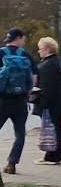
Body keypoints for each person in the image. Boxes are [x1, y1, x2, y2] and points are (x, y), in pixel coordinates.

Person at [0, 28, 37, 175]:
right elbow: (34, 78)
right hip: (20, 100)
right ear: (20, 38)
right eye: (23, 39)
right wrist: (27, 93)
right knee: (20, 133)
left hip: (2, 99)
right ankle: (12, 163)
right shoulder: (26, 55)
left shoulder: (1, 52)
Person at [32, 37, 61, 165]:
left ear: (47, 49)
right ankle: (52, 155)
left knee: (52, 129)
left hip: (51, 104)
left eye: (40, 48)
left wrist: (42, 103)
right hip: (58, 103)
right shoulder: (55, 62)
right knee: (54, 129)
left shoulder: (48, 65)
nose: (38, 51)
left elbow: (46, 87)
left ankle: (53, 156)